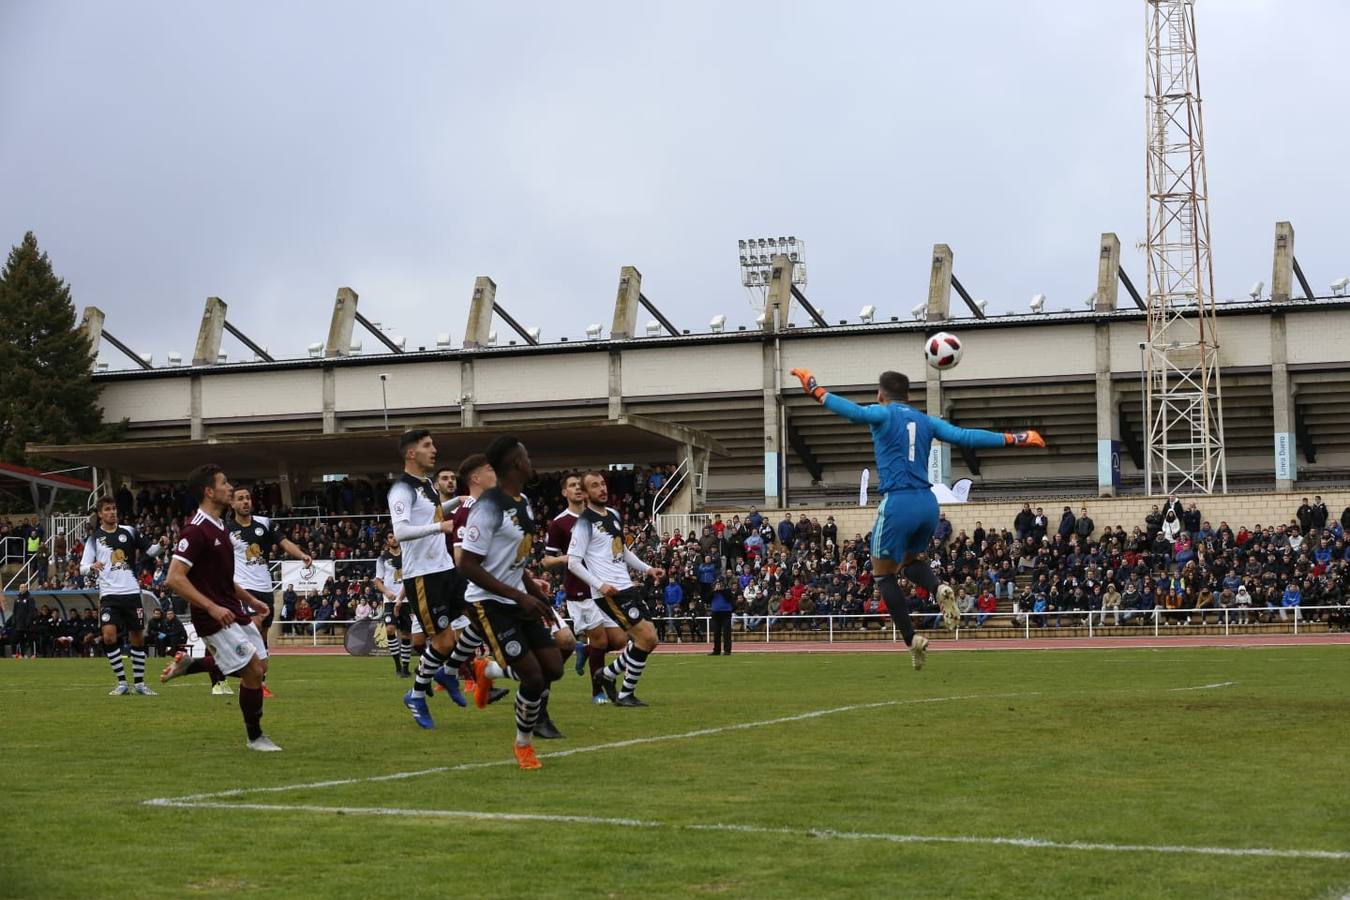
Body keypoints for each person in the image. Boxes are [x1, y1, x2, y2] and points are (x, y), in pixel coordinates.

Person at [790, 366, 1044, 669]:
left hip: (899, 502)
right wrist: (1016, 437)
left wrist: (816, 390)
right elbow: (964, 436)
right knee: (909, 562)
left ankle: (912, 639)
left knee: (883, 574)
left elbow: (854, 413)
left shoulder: (883, 413)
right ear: (907, 395)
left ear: (880, 394)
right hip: (928, 504)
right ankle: (938, 588)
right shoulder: (925, 420)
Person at [458, 435, 564, 770]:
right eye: (527, 455)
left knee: (554, 669)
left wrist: (533, 591)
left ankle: (484, 669)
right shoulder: (487, 508)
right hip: (487, 603)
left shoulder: (524, 501)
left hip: (517, 597)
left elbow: (513, 562)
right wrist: (520, 595)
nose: (531, 461)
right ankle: (523, 746)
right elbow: (468, 565)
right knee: (532, 678)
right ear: (516, 463)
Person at [159, 464, 280, 750]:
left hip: (233, 608)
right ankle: (255, 736)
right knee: (251, 671)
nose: (230, 487)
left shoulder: (222, 527)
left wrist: (250, 600)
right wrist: (211, 607)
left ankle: (193, 666)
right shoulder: (195, 530)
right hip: (214, 616)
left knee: (260, 667)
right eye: (224, 483)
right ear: (209, 491)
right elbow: (174, 579)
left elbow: (223, 579)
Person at [387, 429, 473, 728]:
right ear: (411, 453)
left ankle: (446, 674)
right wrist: (441, 527)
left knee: (480, 612)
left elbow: (431, 514)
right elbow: (401, 532)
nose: (434, 449)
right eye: (427, 445)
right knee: (444, 641)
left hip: (445, 568)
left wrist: (457, 501)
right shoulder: (401, 490)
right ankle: (416, 693)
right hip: (423, 575)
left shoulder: (426, 486)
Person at [567, 470, 668, 706]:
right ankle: (623, 693)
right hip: (610, 592)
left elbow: (621, 550)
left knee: (649, 640)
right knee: (646, 638)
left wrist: (647, 569)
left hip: (626, 586)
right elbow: (573, 561)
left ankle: (607, 675)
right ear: (585, 493)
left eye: (603, 484)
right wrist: (600, 585)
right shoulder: (584, 522)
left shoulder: (612, 514)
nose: (601, 489)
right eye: (594, 486)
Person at [227, 485, 311, 698]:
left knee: (262, 637)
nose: (245, 502)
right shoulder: (226, 530)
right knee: (253, 628)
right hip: (244, 588)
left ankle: (258, 682)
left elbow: (284, 543)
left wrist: (301, 555)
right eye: (240, 499)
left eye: (247, 498)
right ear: (232, 503)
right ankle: (247, 677)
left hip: (265, 587)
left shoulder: (264, 524)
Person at [543, 472, 619, 705]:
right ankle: (598, 692)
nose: (577, 489)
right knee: (600, 641)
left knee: (619, 640)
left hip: (606, 586)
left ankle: (585, 652)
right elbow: (546, 560)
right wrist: (570, 557)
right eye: (572, 486)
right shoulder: (559, 523)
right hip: (580, 589)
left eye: (580, 485)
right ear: (564, 493)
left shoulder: (598, 517)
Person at [79, 496, 165, 694]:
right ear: (100, 514)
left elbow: (151, 551)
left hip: (131, 592)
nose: (112, 512)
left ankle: (140, 684)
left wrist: (161, 544)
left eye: (114, 509)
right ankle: (122, 683)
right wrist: (91, 566)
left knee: (138, 638)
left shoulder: (130, 531)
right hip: (109, 594)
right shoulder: (94, 539)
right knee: (108, 637)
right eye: (107, 509)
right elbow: (83, 566)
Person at [373, 531, 411, 677]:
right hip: (389, 600)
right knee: (389, 629)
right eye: (390, 537)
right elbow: (377, 580)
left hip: (407, 599)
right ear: (387, 541)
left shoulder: (407, 555)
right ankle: (397, 666)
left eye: (395, 536)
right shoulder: (382, 559)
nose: (394, 539)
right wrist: (386, 592)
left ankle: (406, 667)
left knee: (406, 634)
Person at [708, 577, 734, 656]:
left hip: (726, 614)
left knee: (726, 633)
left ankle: (727, 650)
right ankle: (716, 650)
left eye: (719, 584)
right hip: (716, 614)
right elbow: (707, 599)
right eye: (717, 584)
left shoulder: (727, 591)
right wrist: (714, 591)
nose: (718, 585)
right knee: (716, 633)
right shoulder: (713, 592)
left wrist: (721, 590)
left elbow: (729, 598)